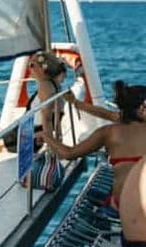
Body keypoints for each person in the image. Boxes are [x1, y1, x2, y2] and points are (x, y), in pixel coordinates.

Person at [37, 80, 146, 210]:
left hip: (122, 204)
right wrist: (76, 103)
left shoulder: (108, 132)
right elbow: (107, 114)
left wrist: (46, 136)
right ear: (141, 109)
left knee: (94, 197)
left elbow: (68, 154)